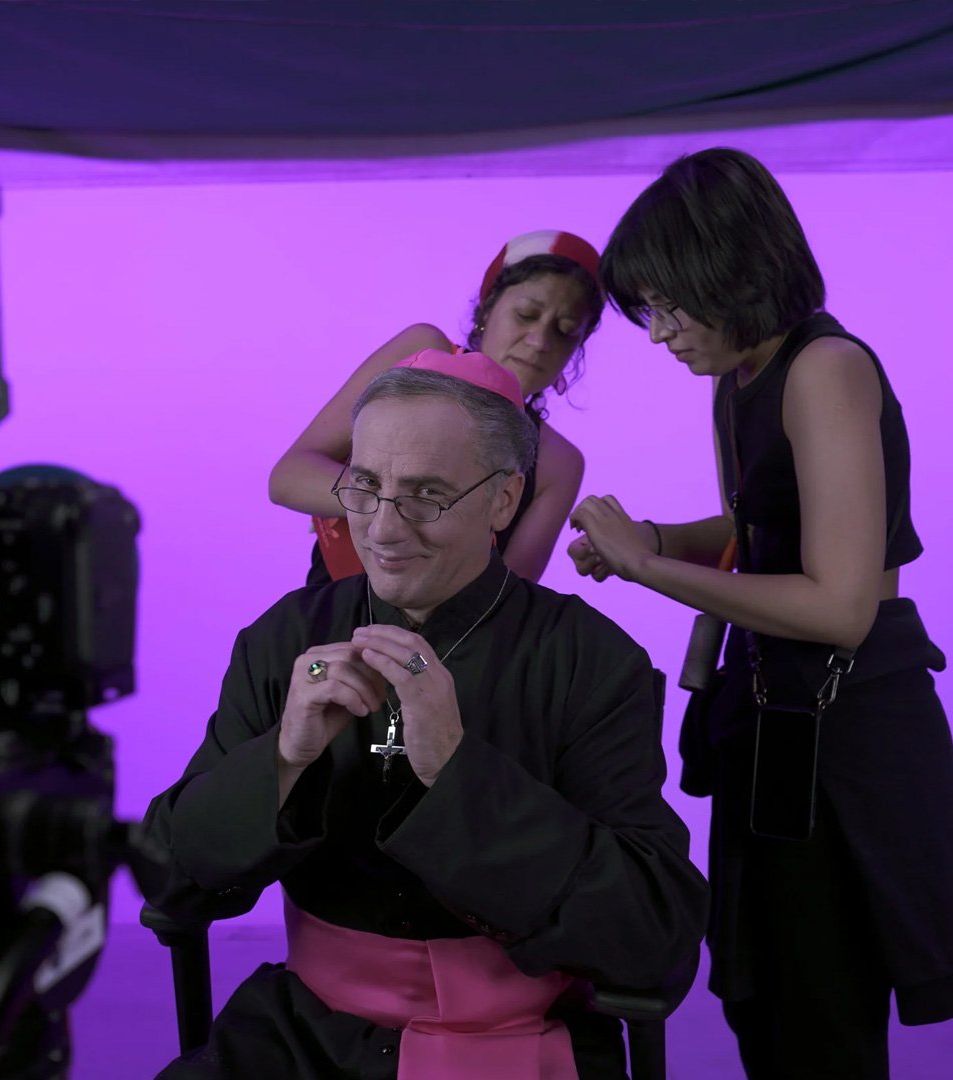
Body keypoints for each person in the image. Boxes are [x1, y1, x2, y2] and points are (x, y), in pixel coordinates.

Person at [144, 349, 709, 1079]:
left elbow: (654, 930)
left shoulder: (590, 660)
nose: (382, 531)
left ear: (503, 501)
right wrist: (282, 759)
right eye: (365, 487)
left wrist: (456, 769)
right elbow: (171, 876)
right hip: (304, 1037)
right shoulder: (288, 638)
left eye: (425, 495)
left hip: (520, 1039)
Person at [568, 147, 953, 1079]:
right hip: (773, 709)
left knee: (823, 1012)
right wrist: (652, 537)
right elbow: (758, 529)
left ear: (728, 270)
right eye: (647, 311)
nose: (659, 334)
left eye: (668, 306)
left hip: (847, 723)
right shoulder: (737, 379)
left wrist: (646, 564)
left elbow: (840, 606)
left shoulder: (827, 367)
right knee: (761, 991)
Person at [269, 230, 603, 585]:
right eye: (526, 315)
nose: (539, 341)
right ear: (487, 309)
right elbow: (288, 477)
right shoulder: (420, 352)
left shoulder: (559, 463)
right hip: (331, 606)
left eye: (565, 330)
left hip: (452, 623)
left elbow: (510, 593)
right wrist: (404, 504)